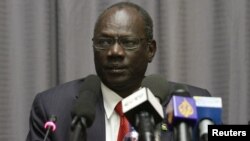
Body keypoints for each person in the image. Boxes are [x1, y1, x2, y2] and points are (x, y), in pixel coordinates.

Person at [26, 2, 210, 141]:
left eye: (128, 43)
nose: (115, 52)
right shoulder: (52, 107)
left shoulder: (191, 103)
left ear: (150, 50)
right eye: (104, 42)